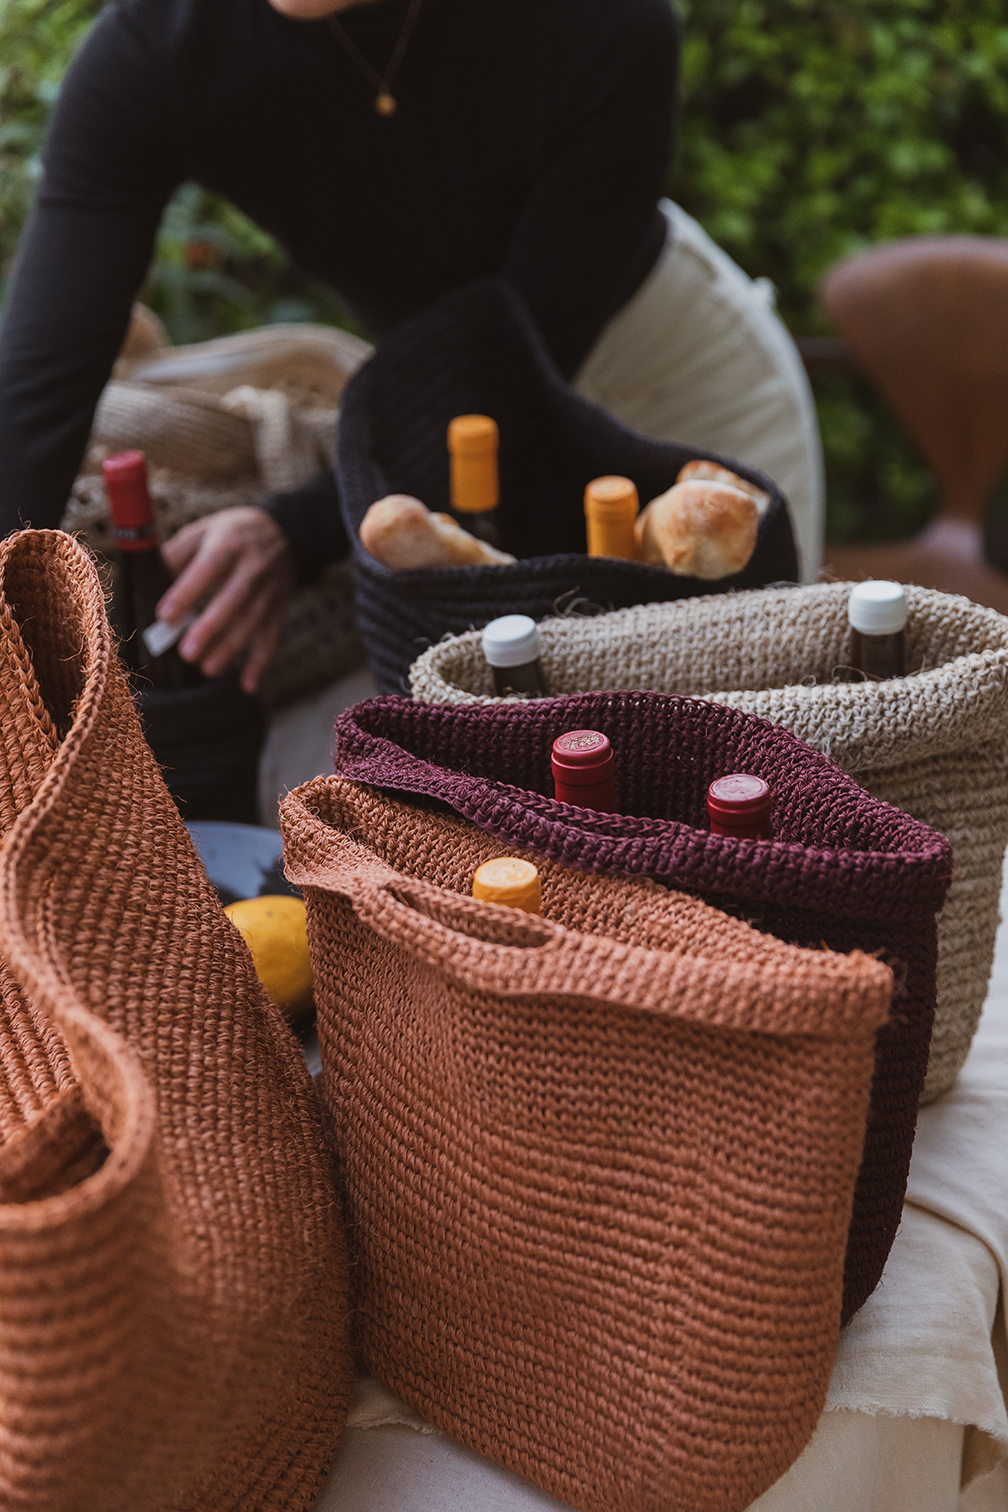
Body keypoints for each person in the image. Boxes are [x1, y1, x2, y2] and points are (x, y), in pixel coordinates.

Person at [0, 0, 823, 694]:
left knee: (764, 720)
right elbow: (36, 390)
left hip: (671, 389)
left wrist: (301, 525)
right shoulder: (154, 50)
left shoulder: (599, 20)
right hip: (444, 409)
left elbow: (515, 369)